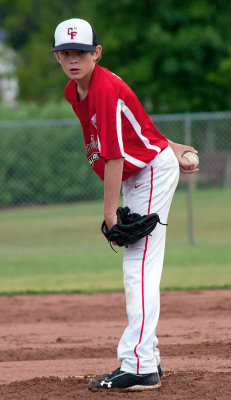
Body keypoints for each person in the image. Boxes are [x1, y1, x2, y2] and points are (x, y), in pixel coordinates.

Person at [52, 18, 199, 391]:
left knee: (138, 267)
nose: (73, 59)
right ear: (57, 57)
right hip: (142, 170)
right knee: (139, 265)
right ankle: (146, 354)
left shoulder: (102, 87)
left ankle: (139, 365)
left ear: (96, 54)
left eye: (81, 52)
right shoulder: (75, 91)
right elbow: (137, 126)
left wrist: (108, 214)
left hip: (148, 173)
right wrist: (172, 145)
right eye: (66, 53)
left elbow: (114, 156)